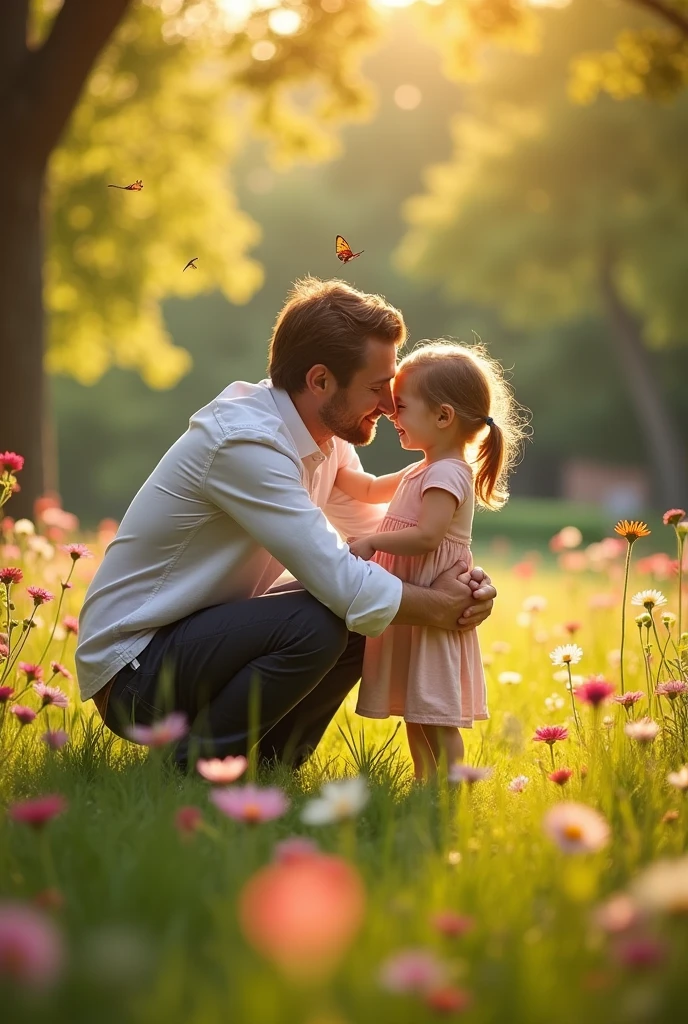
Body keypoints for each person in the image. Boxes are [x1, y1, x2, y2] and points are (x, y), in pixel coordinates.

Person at [76, 279, 497, 770]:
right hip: (136, 673)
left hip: (192, 644)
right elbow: (345, 581)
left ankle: (270, 767)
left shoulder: (325, 439)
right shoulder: (246, 444)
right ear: (320, 381)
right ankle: (196, 768)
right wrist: (439, 607)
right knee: (323, 617)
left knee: (364, 608)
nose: (388, 405)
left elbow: (386, 545)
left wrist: (462, 582)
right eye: (378, 387)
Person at [335, 341, 527, 778]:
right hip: (415, 604)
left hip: (431, 601)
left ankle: (450, 784)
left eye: (401, 406)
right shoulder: (422, 467)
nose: (391, 415)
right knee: (415, 709)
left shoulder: (448, 473)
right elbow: (366, 489)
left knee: (434, 712)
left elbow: (426, 537)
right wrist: (327, 462)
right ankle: (427, 784)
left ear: (442, 416)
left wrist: (369, 543)